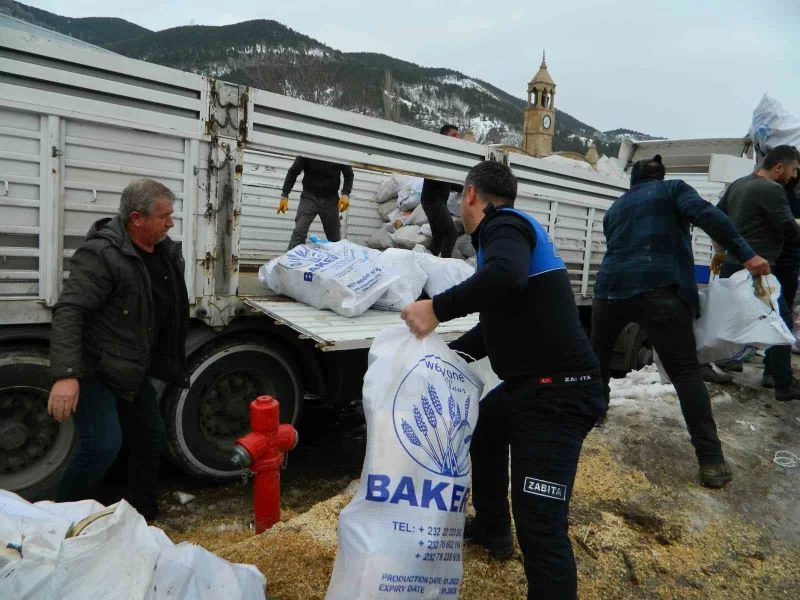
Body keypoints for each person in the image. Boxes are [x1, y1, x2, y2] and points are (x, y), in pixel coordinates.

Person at [401, 160, 603, 599]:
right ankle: (493, 529)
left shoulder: (502, 226)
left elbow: (504, 280)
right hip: (530, 385)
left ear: (470, 194)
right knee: (487, 430)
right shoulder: (508, 233)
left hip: (559, 394)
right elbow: (501, 319)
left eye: (460, 197)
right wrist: (446, 357)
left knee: (541, 523)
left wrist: (434, 310)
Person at [591, 154, 769, 489]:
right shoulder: (673, 190)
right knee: (686, 373)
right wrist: (746, 253)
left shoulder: (615, 209)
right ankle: (712, 461)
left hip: (610, 291)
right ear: (660, 176)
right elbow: (708, 215)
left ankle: (593, 417)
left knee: (598, 358)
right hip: (660, 289)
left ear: (634, 180)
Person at [48, 179, 189, 520]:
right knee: (102, 444)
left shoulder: (167, 252)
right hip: (95, 369)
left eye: (171, 215)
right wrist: (66, 375)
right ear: (137, 219)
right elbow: (70, 310)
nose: (171, 223)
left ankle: (143, 518)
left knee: (151, 439)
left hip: (131, 368)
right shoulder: (101, 255)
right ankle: (60, 520)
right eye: (164, 216)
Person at [710, 145, 800, 398]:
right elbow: (789, 232)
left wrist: (723, 247)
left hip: (732, 265)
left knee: (733, 318)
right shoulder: (771, 189)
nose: (794, 176)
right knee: (778, 321)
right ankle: (784, 384)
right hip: (756, 268)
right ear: (779, 167)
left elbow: (715, 216)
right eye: (793, 170)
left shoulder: (739, 184)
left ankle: (718, 361)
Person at [278, 156, 354, 250]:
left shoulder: (338, 151)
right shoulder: (309, 148)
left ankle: (336, 261)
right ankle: (291, 261)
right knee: (299, 231)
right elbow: (293, 171)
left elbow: (349, 174)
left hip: (331, 199)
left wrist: (346, 194)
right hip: (309, 196)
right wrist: (284, 195)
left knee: (334, 238)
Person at [420, 124, 464, 257]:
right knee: (451, 233)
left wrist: (462, 188)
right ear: (444, 137)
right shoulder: (439, 153)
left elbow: (446, 181)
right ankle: (444, 265)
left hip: (433, 200)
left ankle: (431, 262)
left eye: (458, 135)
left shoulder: (447, 155)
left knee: (438, 238)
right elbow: (440, 178)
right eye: (453, 135)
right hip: (434, 200)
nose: (457, 138)